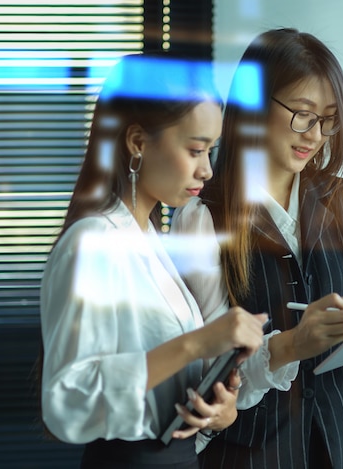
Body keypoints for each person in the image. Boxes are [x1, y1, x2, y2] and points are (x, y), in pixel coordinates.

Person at [171, 28, 343, 468]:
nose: (315, 134)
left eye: (328, 119)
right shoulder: (203, 217)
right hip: (257, 452)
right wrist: (289, 346)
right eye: (302, 114)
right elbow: (207, 372)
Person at [38, 53, 268, 469]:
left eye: (211, 151)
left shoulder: (149, 240)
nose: (208, 171)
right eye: (196, 150)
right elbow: (66, 400)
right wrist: (197, 343)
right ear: (138, 142)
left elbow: (161, 380)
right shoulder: (93, 244)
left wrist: (219, 406)